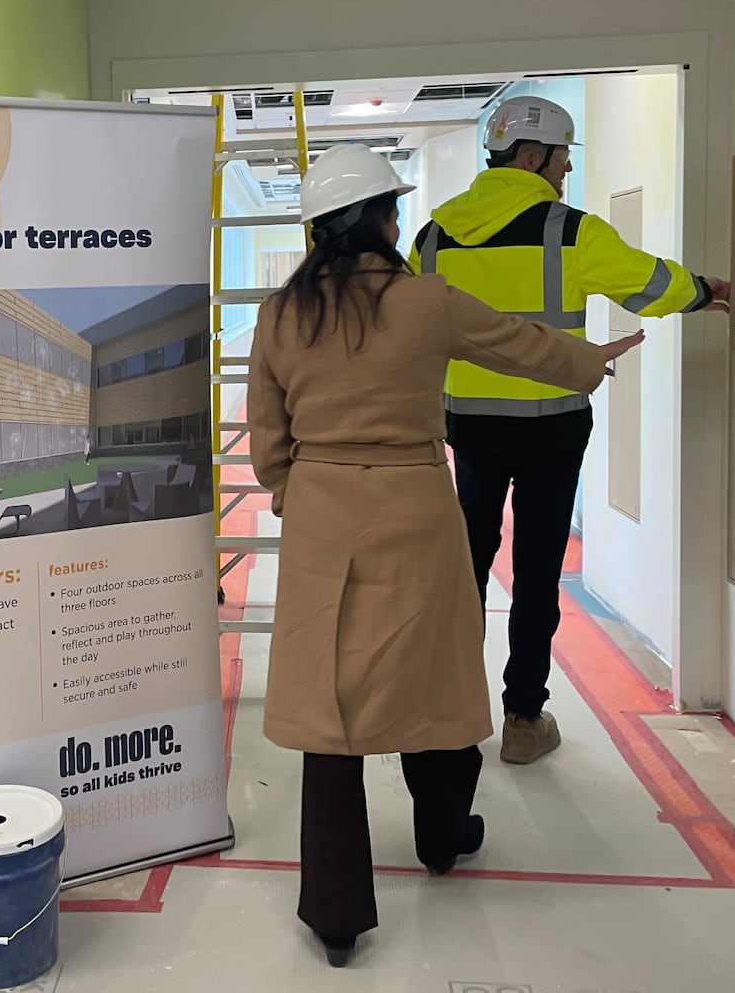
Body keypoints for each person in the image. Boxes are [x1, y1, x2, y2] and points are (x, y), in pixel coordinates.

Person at [249, 143, 643, 967]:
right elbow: (520, 345)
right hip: (416, 508)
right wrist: (590, 362)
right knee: (429, 670)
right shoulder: (426, 302)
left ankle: (336, 912)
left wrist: (302, 492)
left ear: (320, 225)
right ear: (385, 221)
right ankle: (441, 837)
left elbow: (268, 442)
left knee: (329, 701)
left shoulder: (281, 314)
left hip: (324, 514)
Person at [410, 95, 729, 765]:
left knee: (463, 563)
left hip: (467, 425)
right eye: (563, 160)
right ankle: (524, 719)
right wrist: (702, 289)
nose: (565, 174)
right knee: (536, 570)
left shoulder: (432, 238)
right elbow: (646, 285)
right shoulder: (568, 230)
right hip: (551, 426)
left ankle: (451, 714)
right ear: (532, 156)